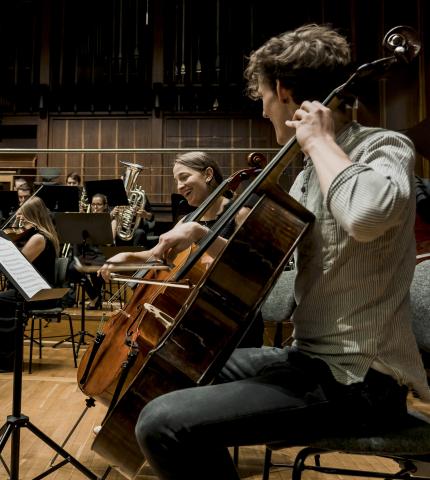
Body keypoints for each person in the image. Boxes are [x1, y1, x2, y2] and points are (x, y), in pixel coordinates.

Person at [102, 24, 430, 479]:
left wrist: (317, 139)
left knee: (164, 422)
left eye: (262, 98)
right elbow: (277, 269)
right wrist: (200, 235)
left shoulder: (383, 147)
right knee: (178, 362)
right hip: (309, 360)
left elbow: (366, 215)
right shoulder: (307, 174)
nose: (262, 111)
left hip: (361, 380)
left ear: (283, 90)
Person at [99, 151, 263, 346]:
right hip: (196, 318)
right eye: (176, 180)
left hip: (232, 321)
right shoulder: (187, 220)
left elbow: (248, 264)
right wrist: (126, 256)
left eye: (184, 177)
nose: (179, 186)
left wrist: (199, 233)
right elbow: (157, 254)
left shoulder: (240, 212)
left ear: (208, 174)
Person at [0, 196, 60, 371]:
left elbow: (16, 267)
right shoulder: (41, 235)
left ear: (33, 216)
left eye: (23, 216)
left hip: (36, 294)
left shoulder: (39, 238)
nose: (20, 221)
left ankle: (6, 360)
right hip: (31, 291)